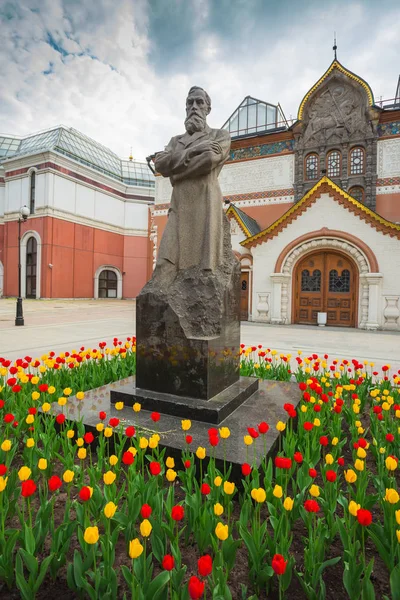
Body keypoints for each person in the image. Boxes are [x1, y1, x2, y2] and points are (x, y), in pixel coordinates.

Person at [153, 86, 231, 282]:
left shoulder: (219, 136)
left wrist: (176, 175)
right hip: (178, 207)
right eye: (190, 103)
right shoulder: (175, 140)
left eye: (199, 102)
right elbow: (161, 164)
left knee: (201, 272)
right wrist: (191, 152)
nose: (194, 107)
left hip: (204, 205)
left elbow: (209, 160)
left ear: (208, 109)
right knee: (164, 262)